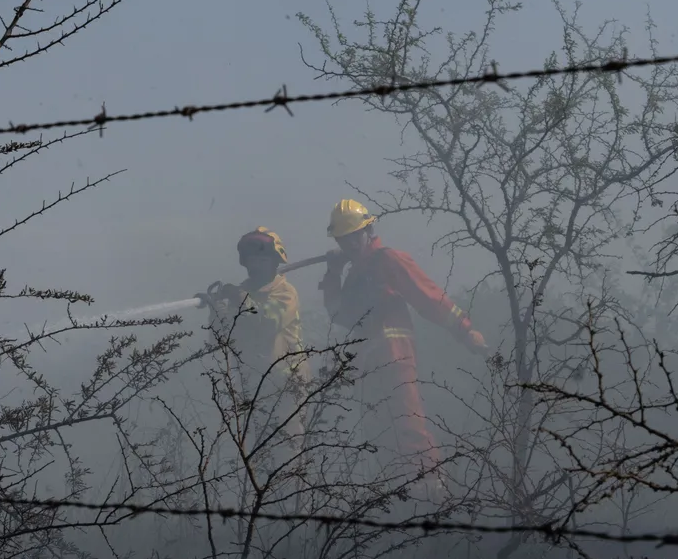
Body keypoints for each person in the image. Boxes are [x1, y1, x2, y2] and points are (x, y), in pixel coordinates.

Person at [318, 199, 489, 490]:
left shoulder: (388, 260)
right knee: (379, 434)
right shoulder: (353, 275)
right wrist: (333, 273)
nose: (350, 244)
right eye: (343, 239)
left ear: (369, 230)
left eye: (354, 235)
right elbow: (339, 314)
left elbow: (428, 297)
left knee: (408, 425)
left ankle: (436, 495)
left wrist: (464, 330)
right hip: (367, 364)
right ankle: (398, 500)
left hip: (394, 356)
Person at [210, 227, 309, 448]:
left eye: (263, 259)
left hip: (286, 384)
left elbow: (267, 322)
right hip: (253, 384)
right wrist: (215, 309)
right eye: (252, 259)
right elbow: (221, 339)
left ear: (275, 261)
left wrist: (240, 298)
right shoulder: (242, 294)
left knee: (287, 450)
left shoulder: (285, 292)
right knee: (258, 451)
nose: (257, 265)